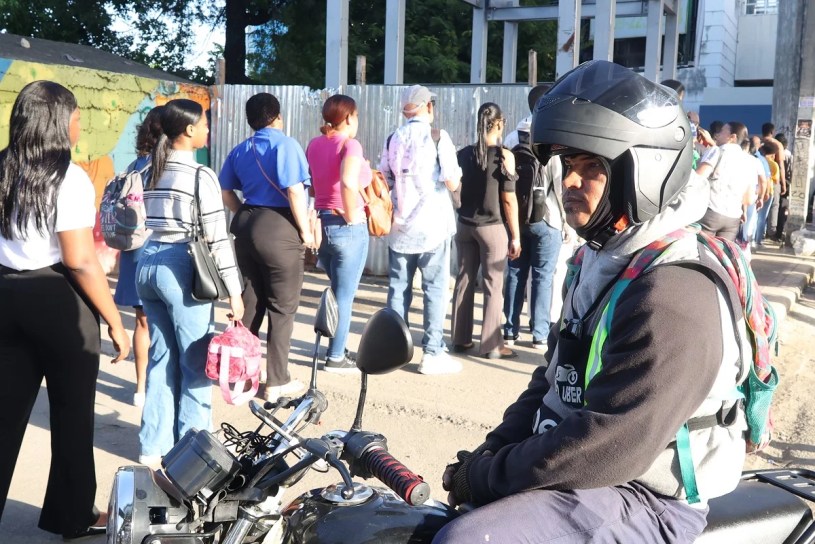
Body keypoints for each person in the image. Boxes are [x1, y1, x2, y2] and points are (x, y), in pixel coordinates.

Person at [434, 60, 748, 544]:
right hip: (588, 467)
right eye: (567, 166)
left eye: (591, 168)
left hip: (648, 495)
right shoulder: (600, 259)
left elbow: (610, 442)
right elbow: (553, 377)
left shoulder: (672, 292)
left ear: (643, 174)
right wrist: (488, 453)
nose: (569, 182)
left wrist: (489, 476)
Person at [0, 80, 130, 539]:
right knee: (72, 414)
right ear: (59, 122)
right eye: (77, 117)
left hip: (6, 295)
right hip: (58, 299)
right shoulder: (67, 177)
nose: (80, 125)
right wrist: (115, 321)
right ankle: (72, 516)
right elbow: (79, 260)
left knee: (4, 414)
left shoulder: (2, 168)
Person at [137, 99, 244, 466]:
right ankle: (194, 451)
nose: (207, 130)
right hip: (181, 266)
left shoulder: (150, 168)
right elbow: (217, 238)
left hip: (148, 262)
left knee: (161, 357)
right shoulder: (200, 175)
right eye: (204, 124)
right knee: (196, 361)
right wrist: (234, 291)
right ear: (188, 130)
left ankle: (153, 446)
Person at [220, 93, 313, 399]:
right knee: (282, 307)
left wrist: (243, 213)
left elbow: (225, 190)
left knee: (251, 303)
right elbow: (295, 192)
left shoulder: (241, 149)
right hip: (279, 228)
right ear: (277, 116)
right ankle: (277, 381)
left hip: (246, 224)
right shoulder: (286, 145)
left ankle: (242, 375)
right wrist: (306, 232)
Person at [379, 85, 462, 375]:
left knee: (398, 290)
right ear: (428, 107)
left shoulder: (393, 138)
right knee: (434, 290)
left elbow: (385, 178)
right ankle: (432, 352)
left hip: (400, 228)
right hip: (433, 227)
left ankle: (393, 350)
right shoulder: (438, 137)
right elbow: (452, 180)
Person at [306, 94, 370, 372]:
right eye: (355, 116)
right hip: (347, 228)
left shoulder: (314, 144)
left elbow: (312, 186)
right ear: (348, 118)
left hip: (324, 225)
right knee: (344, 296)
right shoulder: (350, 144)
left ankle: (337, 348)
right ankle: (335, 357)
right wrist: (352, 215)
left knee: (336, 292)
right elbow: (347, 181)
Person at [451, 103, 520, 359]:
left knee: (464, 280)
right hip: (492, 228)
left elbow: (454, 188)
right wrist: (516, 236)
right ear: (499, 124)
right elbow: (509, 200)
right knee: (493, 285)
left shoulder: (463, 154)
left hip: (464, 226)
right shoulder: (504, 156)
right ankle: (492, 346)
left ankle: (460, 340)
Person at [503, 86, 566, 351]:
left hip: (516, 219)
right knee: (542, 276)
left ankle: (510, 330)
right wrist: (566, 223)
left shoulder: (511, 137)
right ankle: (539, 333)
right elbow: (559, 186)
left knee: (515, 273)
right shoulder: (552, 138)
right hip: (547, 218)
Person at [113, 105, 163, 407]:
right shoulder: (166, 165)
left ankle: (141, 388)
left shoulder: (135, 165)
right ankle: (159, 385)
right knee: (163, 322)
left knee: (141, 322)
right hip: (157, 246)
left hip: (133, 248)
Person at [696, 121, 755, 241]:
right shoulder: (750, 161)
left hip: (710, 213)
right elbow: (748, 199)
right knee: (722, 252)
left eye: (722, 131)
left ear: (732, 137)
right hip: (733, 219)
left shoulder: (717, 151)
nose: (717, 134)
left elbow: (698, 178)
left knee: (701, 249)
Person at [761, 123, 786, 240]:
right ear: (772, 132)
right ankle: (771, 232)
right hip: (773, 179)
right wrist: (783, 184)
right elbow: (781, 166)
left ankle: (759, 232)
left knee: (760, 205)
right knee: (774, 205)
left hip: (759, 178)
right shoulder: (777, 144)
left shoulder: (759, 142)